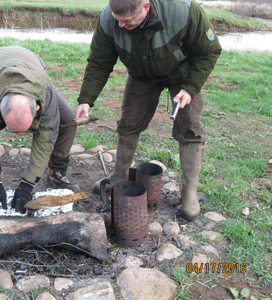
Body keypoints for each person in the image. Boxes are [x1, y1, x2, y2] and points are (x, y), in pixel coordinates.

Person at [75, 0, 222, 220]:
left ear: (146, 6)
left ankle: (189, 191)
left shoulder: (183, 11)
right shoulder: (109, 18)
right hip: (141, 74)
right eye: (119, 21)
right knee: (129, 122)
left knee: (189, 127)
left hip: (183, 73)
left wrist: (190, 88)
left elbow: (209, 51)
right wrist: (86, 99)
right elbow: (99, 61)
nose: (122, 26)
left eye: (128, 21)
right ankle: (119, 175)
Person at [0, 46, 79, 220]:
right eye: (12, 130)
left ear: (37, 107)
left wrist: (27, 185)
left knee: (68, 120)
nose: (17, 137)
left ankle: (57, 173)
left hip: (34, 72)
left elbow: (46, 138)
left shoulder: (45, 95)